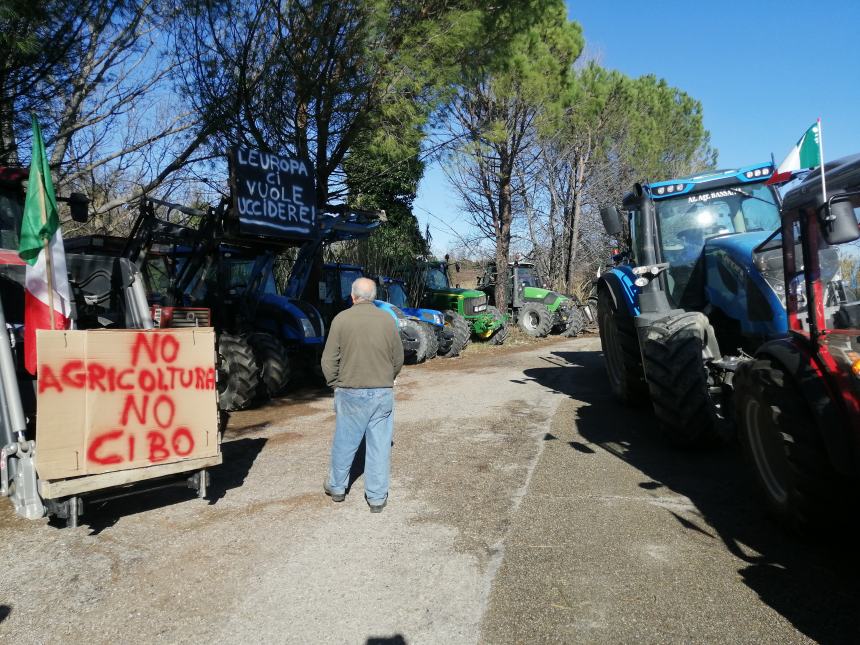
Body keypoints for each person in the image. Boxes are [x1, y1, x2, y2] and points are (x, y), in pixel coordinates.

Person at [321, 276, 404, 512]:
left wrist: (336, 383)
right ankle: (377, 499)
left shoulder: (341, 319)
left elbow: (328, 359)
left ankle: (337, 488)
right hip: (381, 393)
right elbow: (398, 358)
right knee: (379, 446)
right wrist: (387, 378)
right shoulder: (388, 320)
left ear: (353, 296)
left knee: (344, 442)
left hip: (349, 391)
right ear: (374, 297)